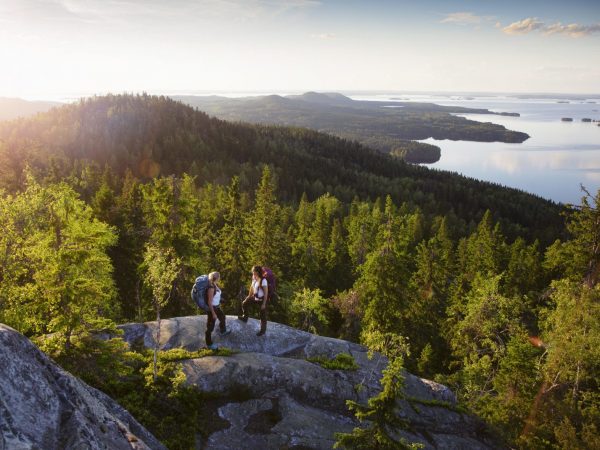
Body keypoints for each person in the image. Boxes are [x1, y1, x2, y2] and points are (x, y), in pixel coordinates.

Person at [238, 265, 269, 336]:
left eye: (254, 271)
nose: (253, 272)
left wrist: (264, 304)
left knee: (262, 315)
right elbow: (251, 288)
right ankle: (245, 317)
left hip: (262, 299)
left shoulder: (263, 280)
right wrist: (248, 297)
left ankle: (262, 331)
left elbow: (266, 293)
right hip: (255, 297)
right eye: (253, 271)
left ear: (258, 272)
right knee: (244, 303)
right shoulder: (254, 278)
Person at [205, 271, 230, 350]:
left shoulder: (215, 284)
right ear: (216, 278)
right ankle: (209, 344)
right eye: (219, 276)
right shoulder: (211, 287)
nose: (219, 278)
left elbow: (216, 295)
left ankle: (223, 331)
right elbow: (209, 302)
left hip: (217, 307)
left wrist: (220, 299)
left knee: (222, 317)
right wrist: (213, 313)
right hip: (212, 309)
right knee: (210, 328)